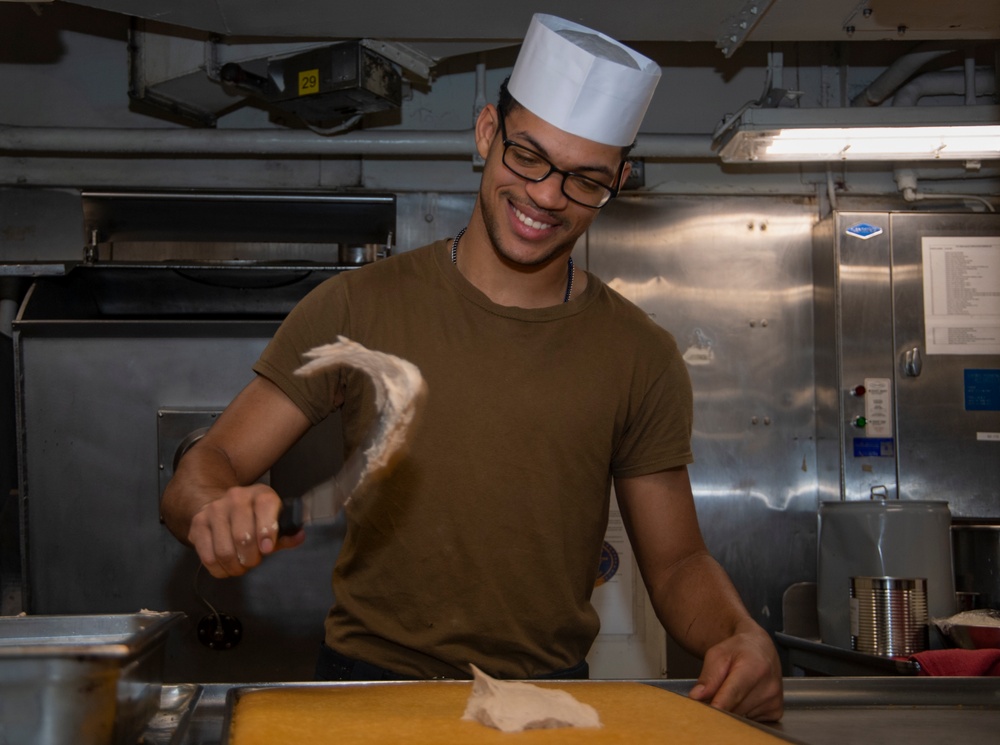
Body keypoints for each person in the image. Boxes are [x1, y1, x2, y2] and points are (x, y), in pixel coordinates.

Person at [160, 13, 783, 722]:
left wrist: (739, 632)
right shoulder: (356, 309)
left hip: (544, 701)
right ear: (488, 133)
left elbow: (676, 564)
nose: (548, 195)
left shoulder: (640, 354)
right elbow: (203, 467)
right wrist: (214, 508)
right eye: (528, 156)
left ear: (620, 178)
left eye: (585, 179)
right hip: (370, 693)